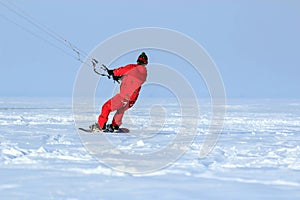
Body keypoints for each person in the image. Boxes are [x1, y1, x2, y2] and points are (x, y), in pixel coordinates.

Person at [89, 52, 148, 132]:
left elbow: (122, 70)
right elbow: (132, 80)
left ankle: (100, 126)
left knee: (106, 107)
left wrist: (112, 72)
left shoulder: (133, 67)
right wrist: (120, 78)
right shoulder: (144, 74)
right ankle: (115, 126)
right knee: (121, 110)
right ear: (146, 63)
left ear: (137, 61)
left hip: (124, 97)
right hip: (131, 100)